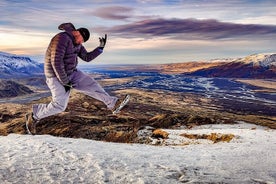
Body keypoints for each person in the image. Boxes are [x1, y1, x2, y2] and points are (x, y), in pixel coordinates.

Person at [25, 22, 130, 135]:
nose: (81, 43)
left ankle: (113, 104)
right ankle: (34, 116)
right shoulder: (61, 38)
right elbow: (56, 62)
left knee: (91, 84)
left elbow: (86, 57)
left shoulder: (76, 42)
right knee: (60, 106)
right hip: (55, 76)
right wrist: (65, 82)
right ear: (77, 33)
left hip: (71, 73)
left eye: (83, 42)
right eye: (82, 40)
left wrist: (100, 48)